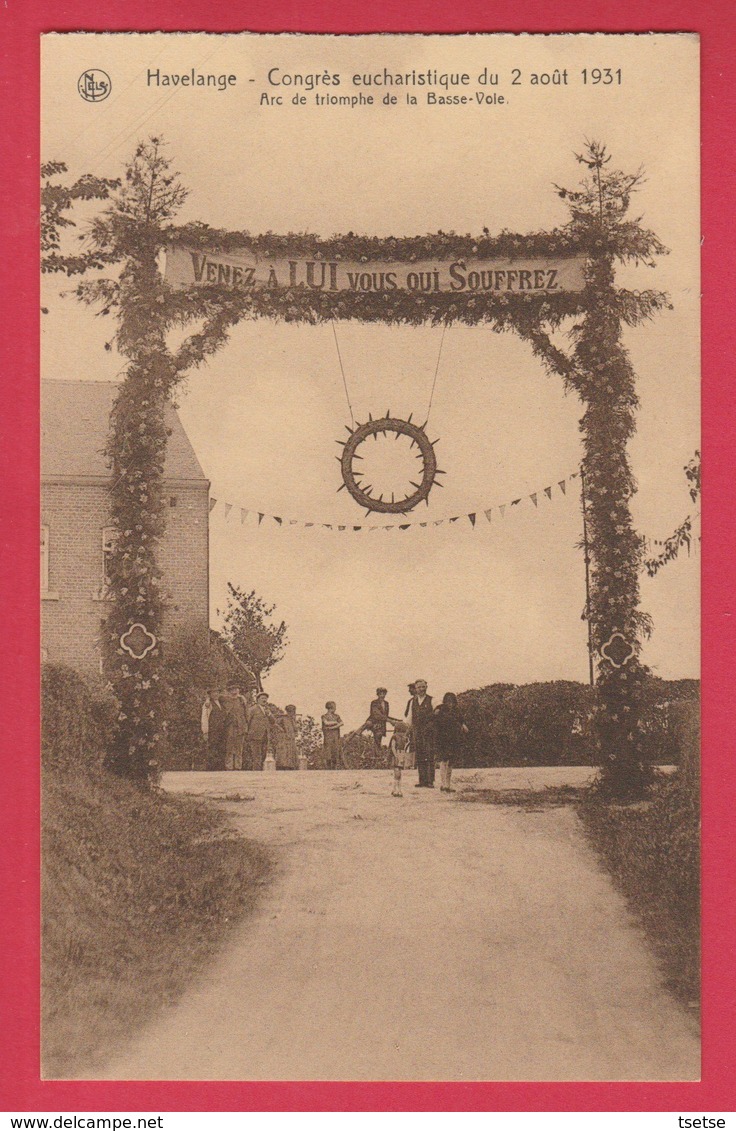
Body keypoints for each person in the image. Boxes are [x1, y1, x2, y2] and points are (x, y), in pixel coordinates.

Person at [434, 692, 468, 793]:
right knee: (444, 760)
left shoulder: (456, 710)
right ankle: (443, 784)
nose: (450, 703)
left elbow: (461, 720)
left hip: (453, 738)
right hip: (442, 738)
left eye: (452, 701)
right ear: (445, 701)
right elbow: (434, 720)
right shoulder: (440, 708)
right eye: (448, 701)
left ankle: (447, 784)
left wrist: (463, 725)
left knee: (451, 761)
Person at [409, 679, 436, 787]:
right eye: (419, 687)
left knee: (429, 754)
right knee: (420, 754)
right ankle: (422, 780)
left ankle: (430, 781)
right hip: (417, 731)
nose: (421, 689)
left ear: (426, 687)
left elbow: (437, 711)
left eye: (423, 687)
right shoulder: (412, 701)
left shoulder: (432, 700)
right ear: (415, 689)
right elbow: (410, 717)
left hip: (429, 731)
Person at [223, 684, 247, 771]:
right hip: (230, 726)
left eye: (236, 689)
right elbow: (213, 697)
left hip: (240, 726)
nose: (235, 691)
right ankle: (229, 766)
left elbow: (246, 714)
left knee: (239, 747)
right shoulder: (225, 699)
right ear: (229, 691)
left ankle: (238, 766)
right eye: (232, 689)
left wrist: (245, 726)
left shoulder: (242, 700)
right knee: (229, 747)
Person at [246, 691, 271, 771]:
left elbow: (273, 721)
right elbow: (247, 721)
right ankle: (256, 773)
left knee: (263, 755)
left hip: (265, 736)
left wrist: (269, 714)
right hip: (254, 736)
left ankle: (260, 772)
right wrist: (247, 734)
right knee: (256, 756)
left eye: (265, 698)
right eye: (262, 698)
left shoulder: (267, 710)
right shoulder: (252, 709)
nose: (264, 700)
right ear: (257, 700)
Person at [388, 720, 409, 797]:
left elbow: (406, 747)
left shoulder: (404, 738)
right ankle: (396, 790)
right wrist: (396, 755)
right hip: (397, 755)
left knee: (398, 774)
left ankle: (396, 790)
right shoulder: (395, 737)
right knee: (397, 774)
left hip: (401, 754)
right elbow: (393, 747)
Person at [275, 704, 299, 769]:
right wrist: (281, 730)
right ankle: (283, 766)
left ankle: (291, 765)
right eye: (290, 711)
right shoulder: (282, 718)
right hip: (284, 739)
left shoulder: (292, 719)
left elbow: (295, 729)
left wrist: (295, 732)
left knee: (291, 753)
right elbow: (275, 724)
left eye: (293, 711)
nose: (293, 713)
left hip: (291, 739)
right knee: (284, 754)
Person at [321, 701, 343, 769]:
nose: (335, 709)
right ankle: (328, 768)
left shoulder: (337, 716)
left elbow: (341, 723)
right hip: (328, 737)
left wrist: (331, 727)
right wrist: (335, 723)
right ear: (331, 708)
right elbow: (326, 723)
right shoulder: (324, 716)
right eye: (334, 707)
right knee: (328, 752)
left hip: (335, 736)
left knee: (335, 752)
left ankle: (334, 768)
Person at [403, 683, 417, 770]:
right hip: (411, 725)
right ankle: (413, 763)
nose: (409, 691)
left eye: (411, 689)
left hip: (415, 725)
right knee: (413, 743)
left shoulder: (413, 701)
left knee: (415, 743)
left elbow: (407, 714)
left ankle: (414, 763)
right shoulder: (410, 701)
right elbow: (406, 714)